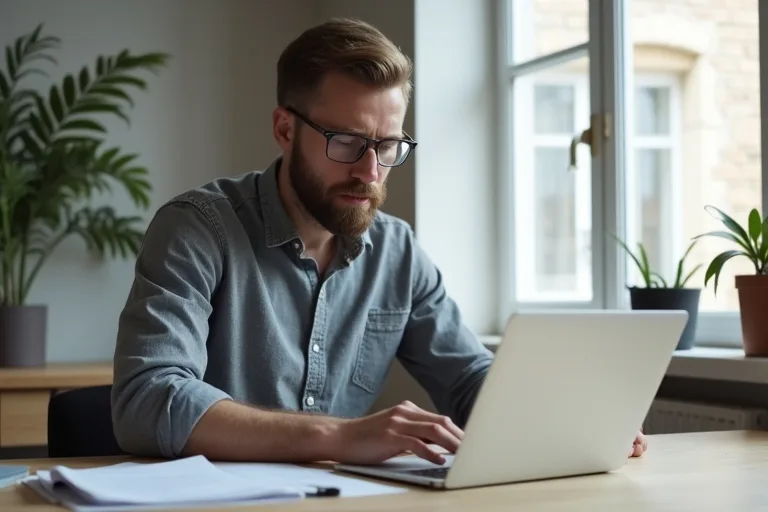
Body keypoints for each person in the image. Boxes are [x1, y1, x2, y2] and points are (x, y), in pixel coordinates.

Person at [111, 18, 647, 465]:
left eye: (388, 145)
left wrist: (568, 422)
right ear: (284, 129)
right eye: (347, 142)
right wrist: (339, 436)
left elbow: (468, 379)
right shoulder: (198, 229)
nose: (370, 171)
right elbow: (148, 399)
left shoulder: (399, 251)